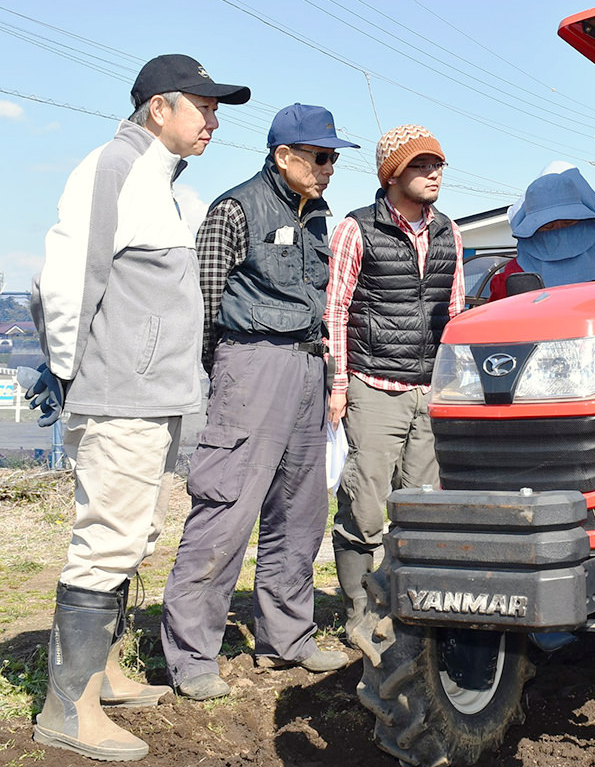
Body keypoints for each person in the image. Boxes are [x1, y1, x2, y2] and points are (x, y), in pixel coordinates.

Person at [26, 54, 249, 761]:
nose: (213, 121)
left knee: (132, 536)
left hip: (151, 395)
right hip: (119, 392)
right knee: (106, 540)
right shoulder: (113, 168)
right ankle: (69, 709)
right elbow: (64, 277)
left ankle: (106, 675)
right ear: (160, 108)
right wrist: (67, 371)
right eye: (203, 107)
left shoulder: (164, 183)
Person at [161, 103, 358, 701]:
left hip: (308, 367)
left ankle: (288, 637)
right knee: (226, 510)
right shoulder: (234, 209)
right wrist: (225, 370)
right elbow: (203, 297)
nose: (328, 169)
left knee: (299, 514)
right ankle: (193, 654)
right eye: (320, 157)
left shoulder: (320, 215)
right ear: (284, 155)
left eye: (333, 158)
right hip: (250, 365)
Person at [325, 124, 465, 640]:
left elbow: (454, 315)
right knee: (364, 505)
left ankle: (409, 616)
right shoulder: (355, 230)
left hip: (429, 389)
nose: (433, 174)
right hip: (372, 383)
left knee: (424, 504)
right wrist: (339, 385)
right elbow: (335, 309)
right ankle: (360, 616)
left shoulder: (450, 231)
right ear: (392, 174)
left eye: (437, 165)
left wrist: (450, 388)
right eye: (420, 165)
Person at [488, 161, 595, 300]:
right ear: (534, 230)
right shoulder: (514, 272)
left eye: (568, 222)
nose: (560, 232)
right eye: (549, 226)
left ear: (582, 219)